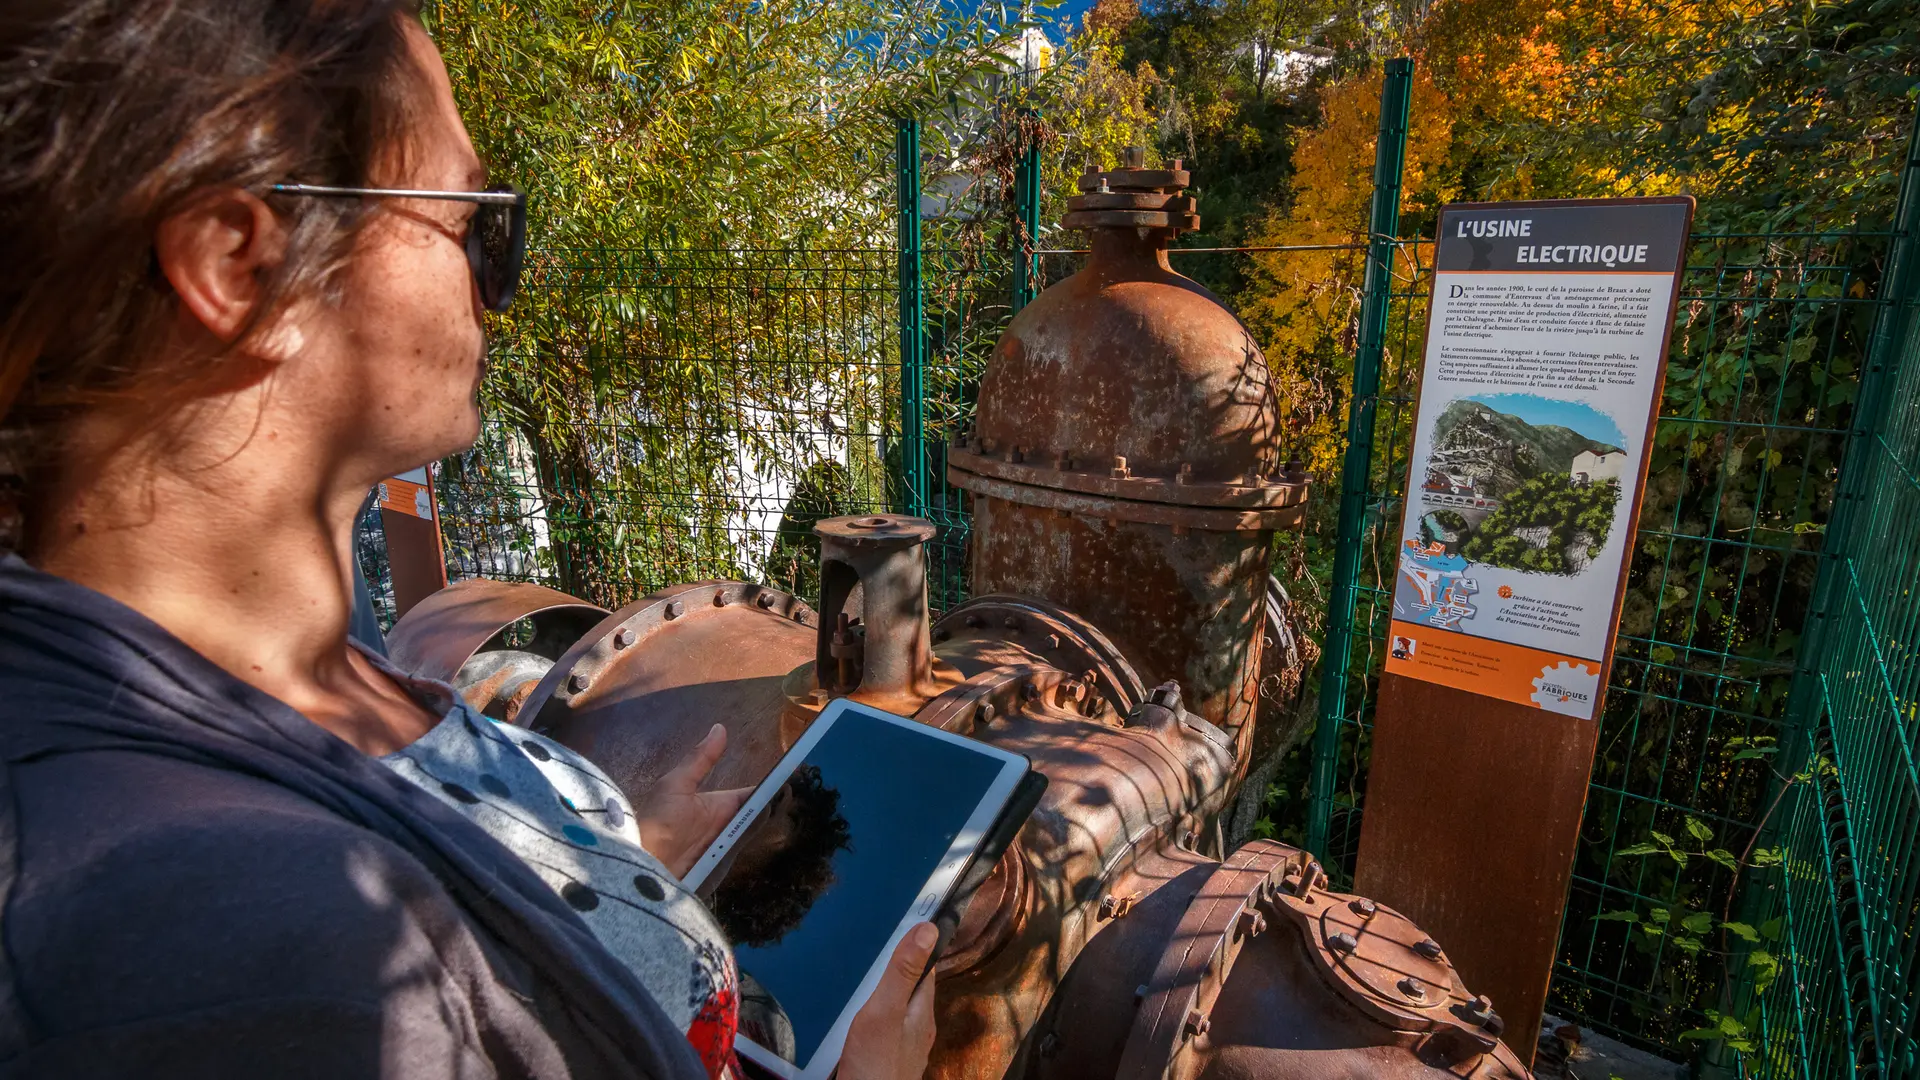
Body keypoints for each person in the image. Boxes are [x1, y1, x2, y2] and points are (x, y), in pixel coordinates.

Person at [0, 2, 936, 1077]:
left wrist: (612, 873)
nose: (502, 290)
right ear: (238, 268)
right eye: (479, 225)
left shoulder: (295, 687)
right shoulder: (249, 941)